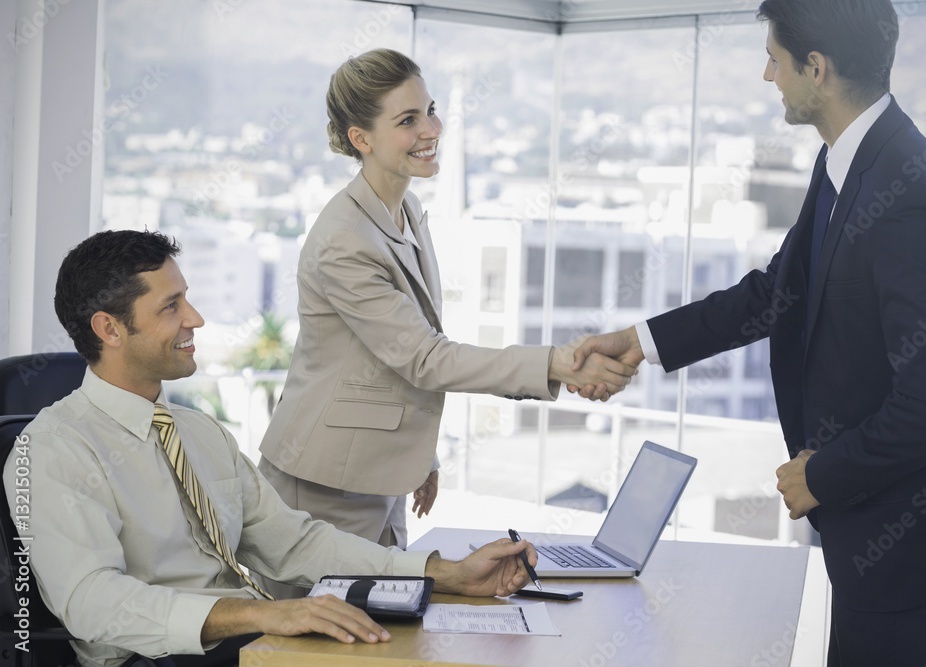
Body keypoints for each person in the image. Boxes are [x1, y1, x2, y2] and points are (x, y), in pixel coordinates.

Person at [570, 2, 926, 665]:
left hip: (905, 535)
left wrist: (821, 474)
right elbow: (778, 293)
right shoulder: (848, 160)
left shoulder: (906, 192)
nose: (767, 74)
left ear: (817, 69)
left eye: (775, 58)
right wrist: (644, 340)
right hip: (869, 526)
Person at [3, 229, 539, 667]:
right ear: (110, 329)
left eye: (186, 298)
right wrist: (263, 615)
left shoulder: (199, 432)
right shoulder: (51, 451)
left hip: (251, 645)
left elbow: (296, 543)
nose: (195, 318)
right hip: (154, 658)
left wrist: (448, 571)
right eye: (171, 306)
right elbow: (91, 603)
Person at [257, 48, 634, 557]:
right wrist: (555, 363)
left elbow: (385, 357)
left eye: (429, 111)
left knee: (383, 623)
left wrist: (419, 458)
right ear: (360, 138)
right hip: (325, 480)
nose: (430, 129)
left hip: (375, 469)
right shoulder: (344, 240)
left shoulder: (406, 209)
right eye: (408, 120)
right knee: (324, 629)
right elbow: (425, 357)